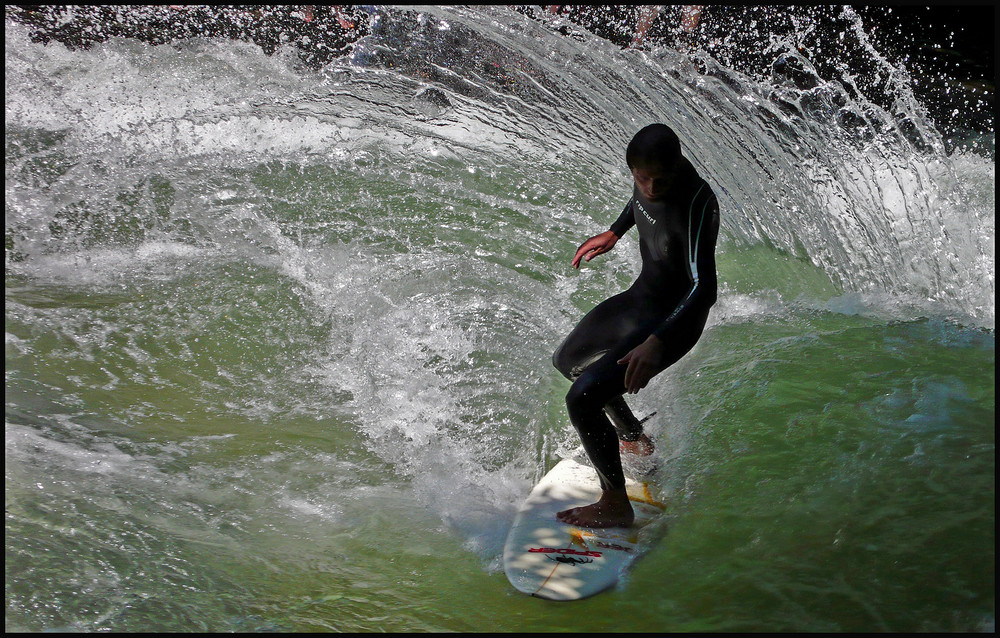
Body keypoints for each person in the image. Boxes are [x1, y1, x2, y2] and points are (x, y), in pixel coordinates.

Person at [552, 123, 720, 528]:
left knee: (582, 398)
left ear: (677, 167)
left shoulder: (697, 203)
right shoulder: (646, 177)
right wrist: (616, 230)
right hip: (641, 298)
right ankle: (633, 438)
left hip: (673, 321)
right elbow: (640, 202)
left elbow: (705, 288)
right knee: (568, 361)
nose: (650, 187)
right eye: (642, 178)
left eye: (660, 179)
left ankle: (615, 504)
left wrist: (657, 342)